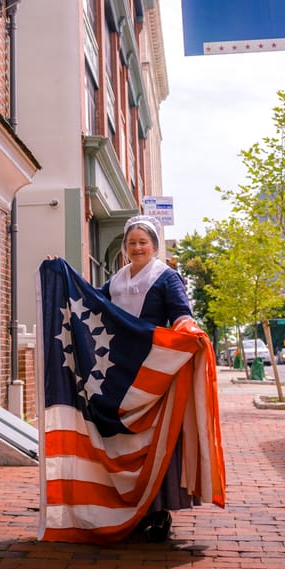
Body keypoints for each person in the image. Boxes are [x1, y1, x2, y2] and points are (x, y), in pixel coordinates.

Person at [99, 214, 202, 542]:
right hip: (121, 370)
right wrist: (58, 271)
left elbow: (181, 313)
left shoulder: (167, 277)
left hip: (154, 370)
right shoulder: (115, 281)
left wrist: (188, 330)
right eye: (132, 242)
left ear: (155, 246)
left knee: (154, 441)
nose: (137, 247)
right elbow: (88, 302)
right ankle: (129, 505)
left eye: (144, 242)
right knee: (126, 438)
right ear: (125, 248)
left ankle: (159, 511)